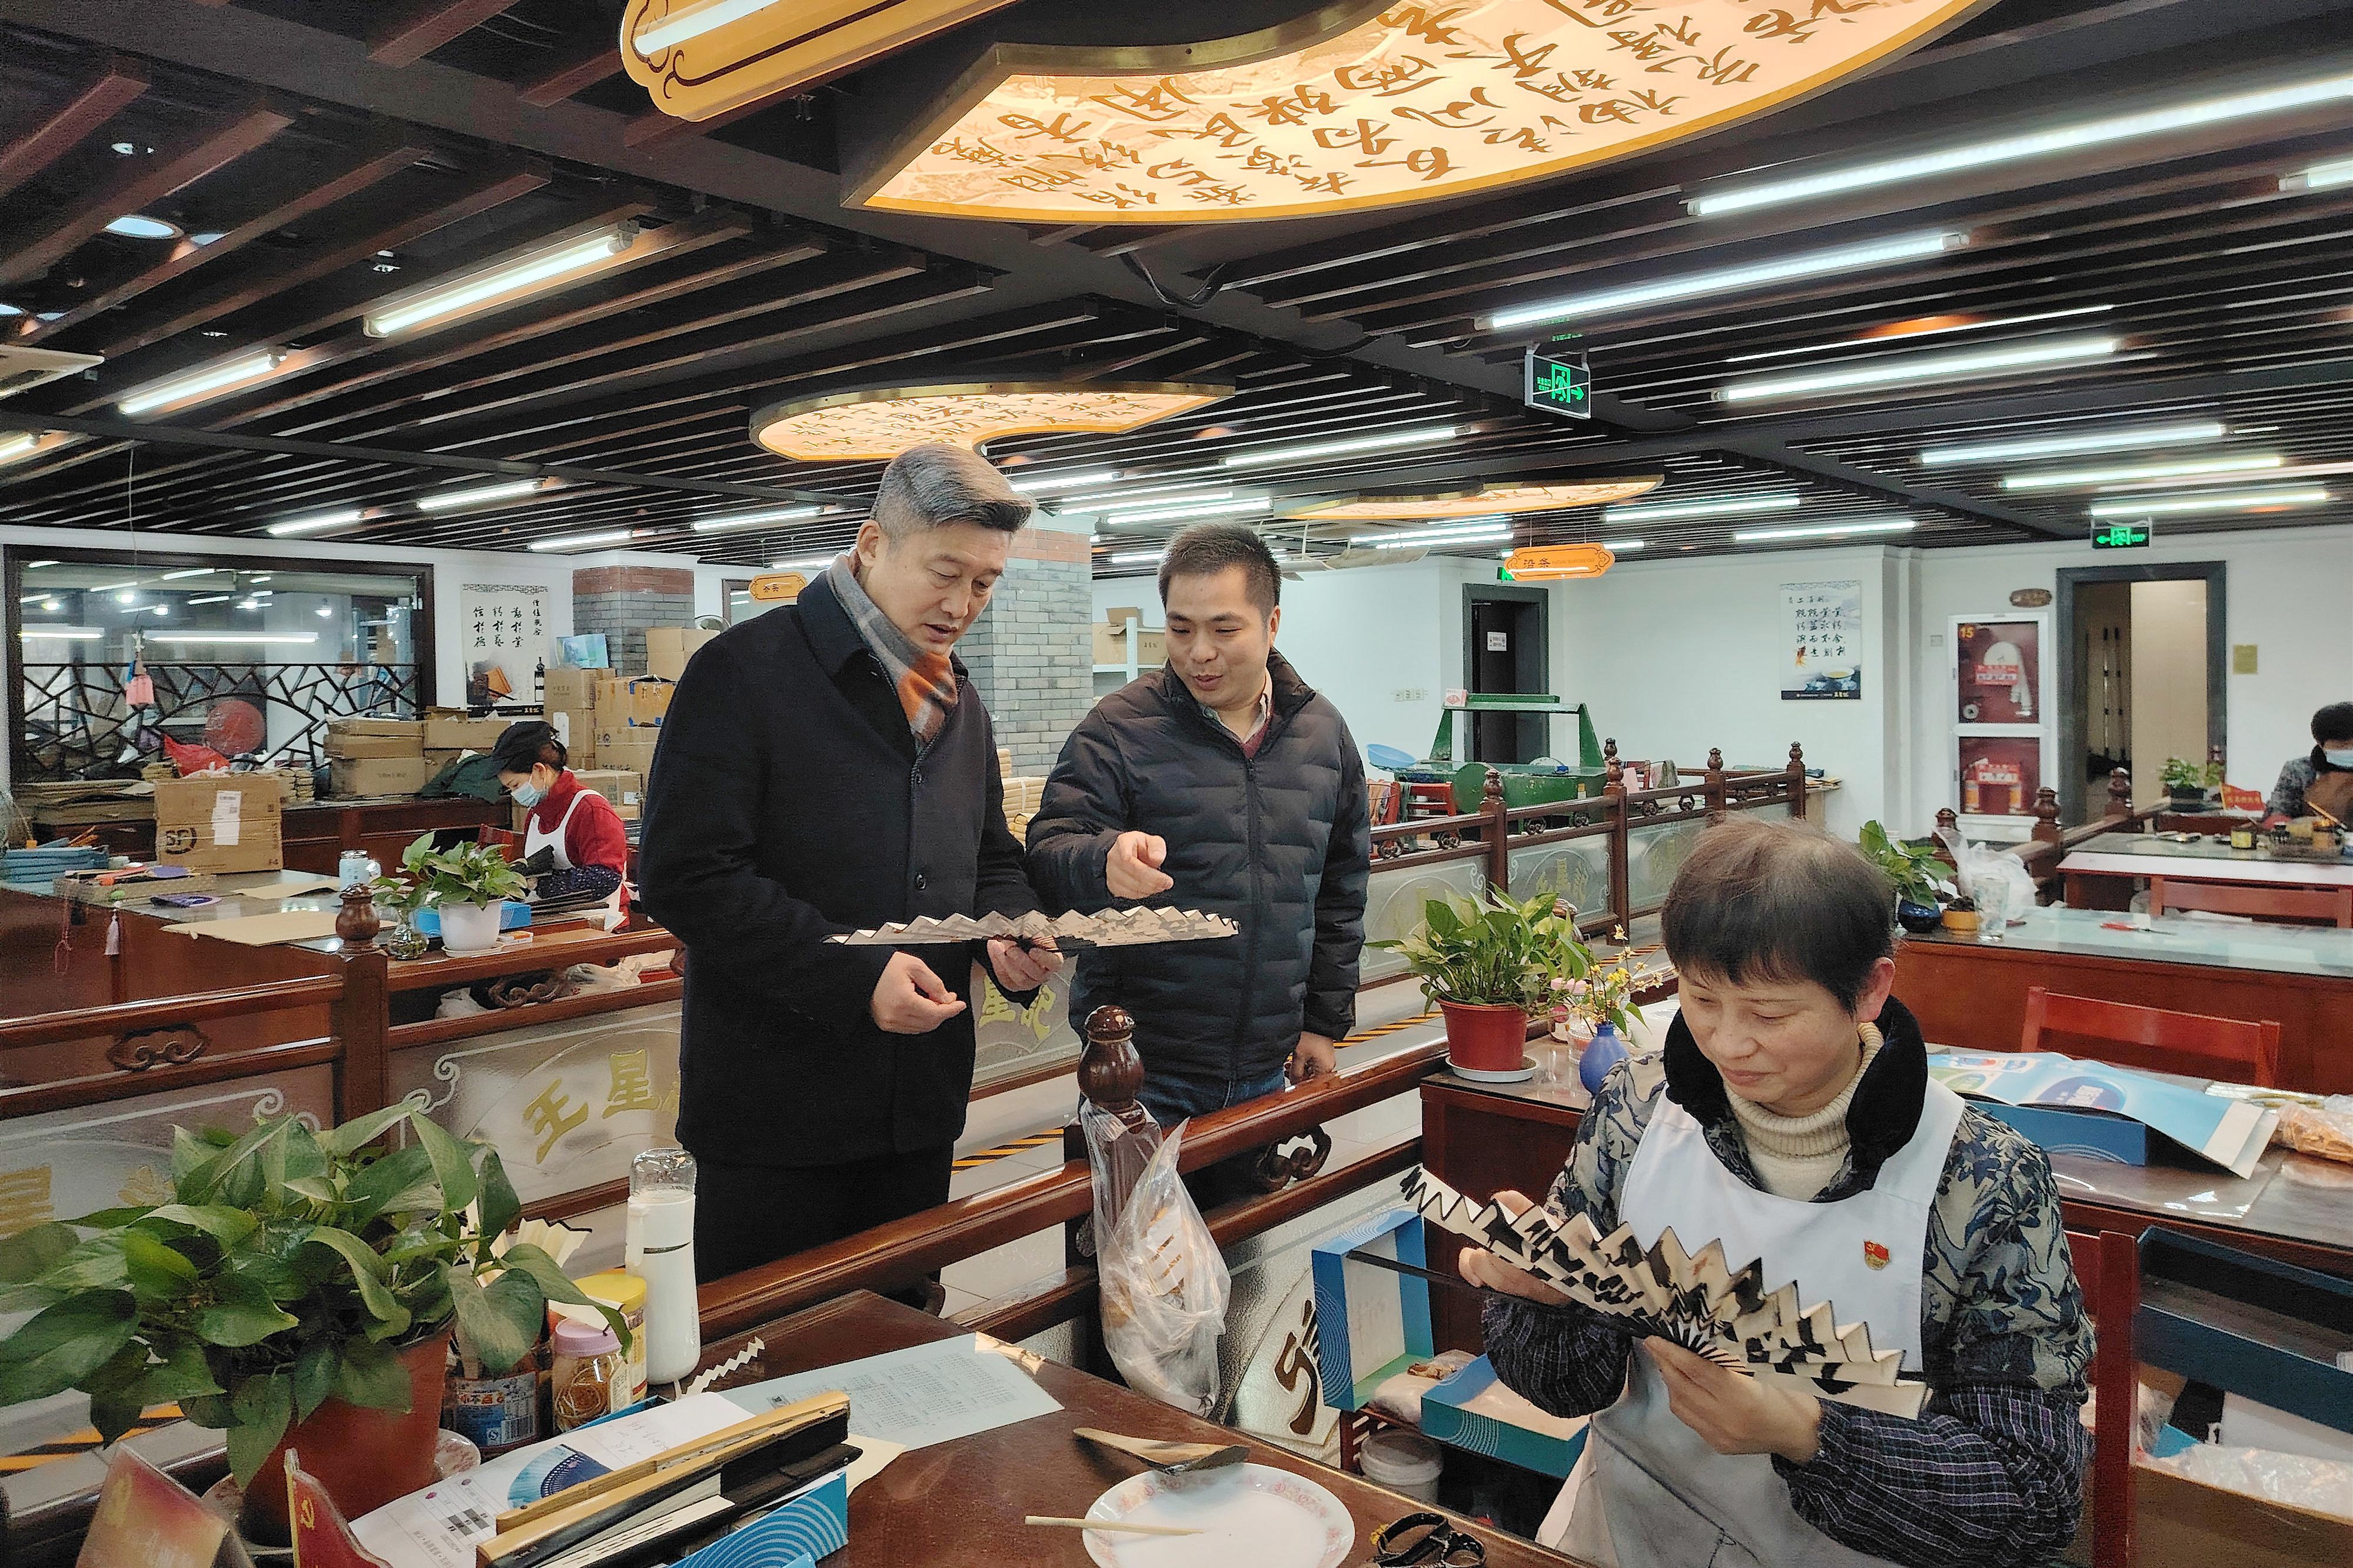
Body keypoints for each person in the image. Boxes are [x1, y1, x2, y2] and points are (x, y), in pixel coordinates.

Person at [1468, 817, 2090, 1568]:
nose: (1727, 1043)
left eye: (1769, 1013)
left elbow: (2032, 1500)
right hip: (1629, 1536)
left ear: (1869, 989)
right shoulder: (1635, 1111)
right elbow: (1563, 1389)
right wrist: (1545, 1301)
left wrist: (1808, 1436)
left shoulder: (1982, 1179)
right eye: (1701, 999)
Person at [636, 442, 1061, 1283]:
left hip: (919, 1102)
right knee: (769, 1347)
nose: (962, 604)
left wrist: (1009, 928)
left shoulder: (956, 699)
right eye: (945, 573)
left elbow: (987, 854)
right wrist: (853, 976)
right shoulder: (744, 672)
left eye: (984, 583)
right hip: (775, 1115)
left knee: (906, 1329)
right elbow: (687, 875)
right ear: (872, 544)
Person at [1027, 522, 1370, 1131]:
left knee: (1250, 1199)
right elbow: (1050, 848)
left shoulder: (1322, 733)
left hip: (1271, 1063)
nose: (1199, 652)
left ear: (1271, 624)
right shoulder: (1117, 729)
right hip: (1140, 1069)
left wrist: (1322, 1022)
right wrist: (1103, 859)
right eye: (1180, 629)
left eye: (1223, 629)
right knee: (1134, 1200)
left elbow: (1340, 892)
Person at [490, 720, 629, 918]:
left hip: (602, 926)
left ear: (539, 770)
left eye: (515, 785)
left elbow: (605, 878)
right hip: (554, 920)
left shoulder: (591, 810)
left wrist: (539, 884)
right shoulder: (535, 815)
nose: (515, 794)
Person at [2265, 701, 2353, 823]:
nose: (2350, 749)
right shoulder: (2300, 771)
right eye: (2342, 746)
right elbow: (2278, 816)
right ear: (2321, 745)